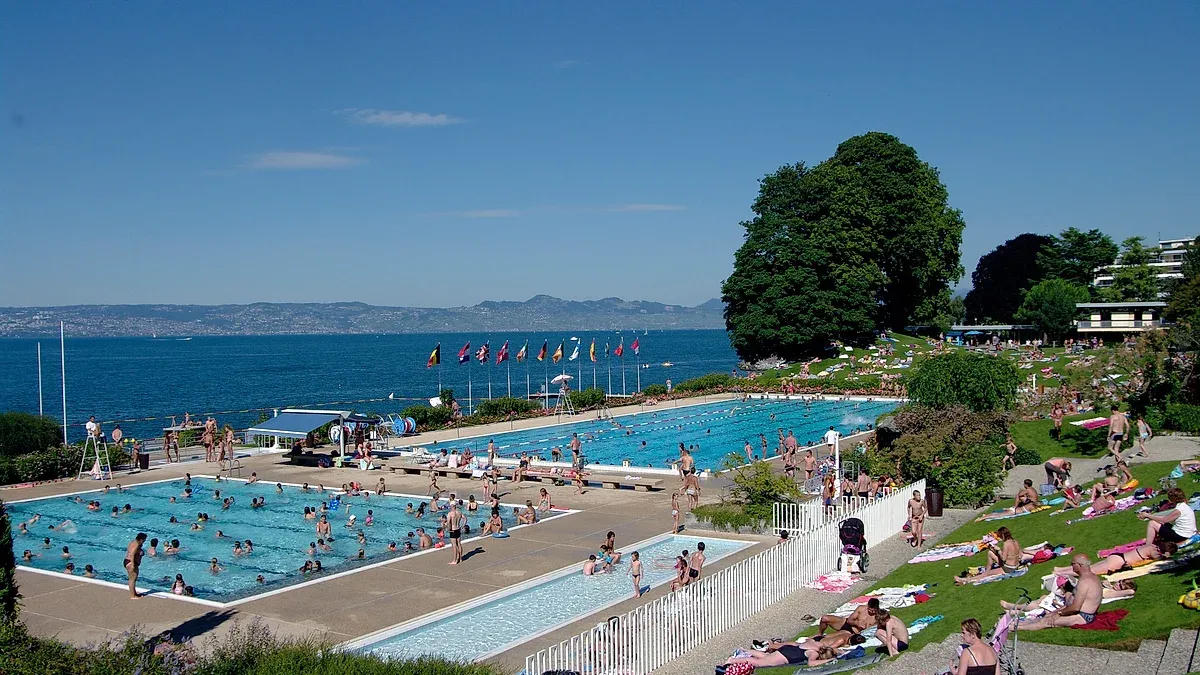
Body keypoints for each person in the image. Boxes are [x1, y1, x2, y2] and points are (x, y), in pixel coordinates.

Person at [1022, 554, 1103, 630]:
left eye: (1072, 564)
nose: (1071, 566)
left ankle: (1016, 628)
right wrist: (1056, 612)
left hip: (1083, 616)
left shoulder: (1084, 582)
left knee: (1046, 622)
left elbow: (1076, 607)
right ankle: (1018, 624)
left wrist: (1059, 613)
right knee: (1048, 616)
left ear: (1079, 565)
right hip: (1081, 613)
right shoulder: (1091, 577)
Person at [956, 527, 1021, 585]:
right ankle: (987, 571)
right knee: (990, 553)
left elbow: (1003, 558)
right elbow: (1020, 556)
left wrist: (999, 550)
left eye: (999, 536)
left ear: (1003, 535)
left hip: (1008, 568)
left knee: (987, 573)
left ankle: (965, 580)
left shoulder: (1006, 544)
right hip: (1016, 565)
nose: (999, 538)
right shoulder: (1015, 541)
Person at [720, 642, 837, 669]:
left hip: (788, 650)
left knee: (765, 656)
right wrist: (827, 661)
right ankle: (732, 660)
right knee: (760, 663)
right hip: (786, 655)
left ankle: (744, 650)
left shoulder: (816, 644)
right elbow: (811, 663)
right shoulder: (814, 653)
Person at [124, 532, 147, 599]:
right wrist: (133, 564)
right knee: (132, 579)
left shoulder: (132, 542)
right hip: (131, 562)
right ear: (141, 539)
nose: (144, 541)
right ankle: (133, 596)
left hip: (127, 561)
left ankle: (134, 593)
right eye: (144, 540)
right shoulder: (137, 544)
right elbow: (132, 554)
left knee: (132, 579)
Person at [447, 500, 464, 565]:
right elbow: (465, 519)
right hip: (458, 529)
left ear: (452, 506)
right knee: (459, 544)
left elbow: (448, 523)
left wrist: (449, 529)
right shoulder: (459, 512)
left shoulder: (450, 514)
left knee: (454, 546)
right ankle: (460, 558)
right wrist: (462, 526)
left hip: (453, 530)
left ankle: (455, 560)